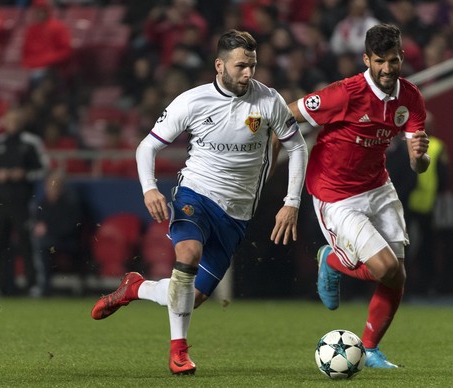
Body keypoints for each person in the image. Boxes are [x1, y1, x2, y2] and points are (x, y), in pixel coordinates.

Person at [90, 30, 308, 376]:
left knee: (191, 296)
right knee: (187, 256)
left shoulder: (269, 102)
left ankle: (136, 287)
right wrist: (150, 189)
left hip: (236, 214)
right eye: (241, 66)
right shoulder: (192, 101)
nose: (249, 73)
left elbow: (297, 147)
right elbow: (147, 146)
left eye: (252, 65)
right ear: (219, 65)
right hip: (195, 194)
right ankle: (179, 352)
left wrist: (292, 201)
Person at [287, 24, 430, 368]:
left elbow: (419, 165)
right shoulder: (345, 93)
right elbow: (288, 114)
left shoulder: (410, 97)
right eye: (379, 61)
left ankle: (370, 349)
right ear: (366, 59)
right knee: (385, 268)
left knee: (397, 275)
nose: (387, 68)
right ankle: (331, 261)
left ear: (401, 57)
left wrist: (419, 156)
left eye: (393, 60)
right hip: (335, 193)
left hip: (378, 186)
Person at [0, 106, 49, 297]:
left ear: (21, 123)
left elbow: (44, 168)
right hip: (0, 202)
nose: (12, 124)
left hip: (23, 201)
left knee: (26, 242)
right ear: (4, 123)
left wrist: (24, 174)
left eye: (16, 121)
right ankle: (0, 284)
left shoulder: (31, 143)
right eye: (9, 121)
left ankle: (33, 285)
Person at [406, 110, 448, 295]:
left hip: (426, 204)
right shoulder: (408, 143)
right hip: (407, 202)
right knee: (404, 247)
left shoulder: (438, 146)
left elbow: (443, 176)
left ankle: (426, 285)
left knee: (426, 248)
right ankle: (404, 286)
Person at [32, 170, 84, 296]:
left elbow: (71, 227)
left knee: (41, 245)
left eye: (55, 184)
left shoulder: (70, 203)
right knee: (33, 242)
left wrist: (48, 230)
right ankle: (32, 282)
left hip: (67, 243)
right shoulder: (43, 204)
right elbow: (37, 223)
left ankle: (43, 286)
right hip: (49, 241)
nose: (52, 188)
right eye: (50, 184)